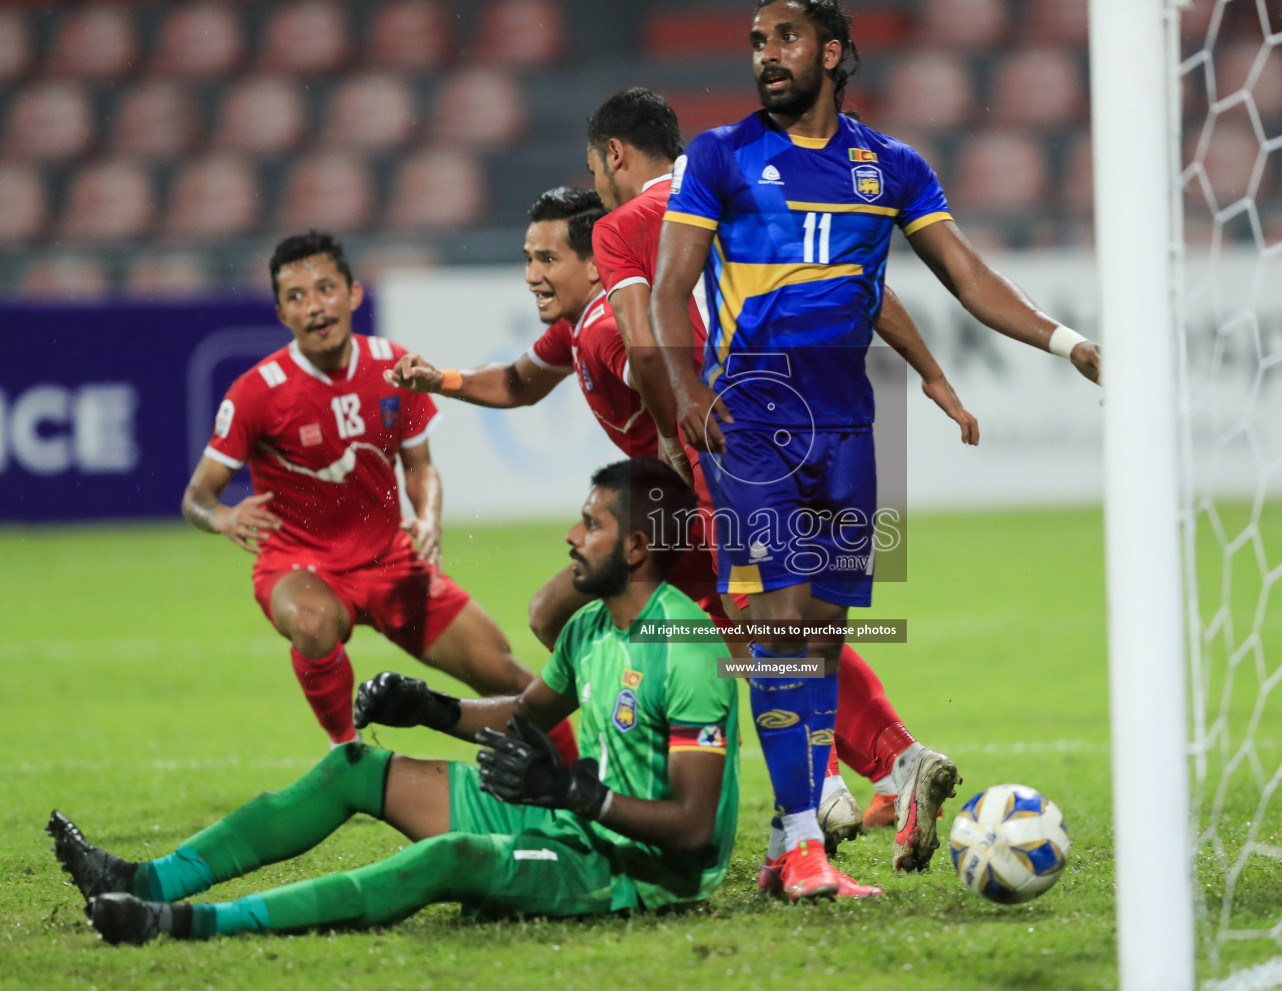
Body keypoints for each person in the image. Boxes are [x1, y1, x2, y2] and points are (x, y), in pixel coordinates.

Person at [649, 0, 1102, 898]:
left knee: (819, 637)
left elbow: (966, 276)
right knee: (776, 629)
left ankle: (798, 846)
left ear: (837, 54)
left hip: (851, 428)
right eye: (756, 42)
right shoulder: (720, 156)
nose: (766, 56)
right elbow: (669, 291)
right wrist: (688, 392)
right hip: (754, 420)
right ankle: (799, 840)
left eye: (785, 38)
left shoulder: (889, 168)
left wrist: (1068, 342)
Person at [50, 459, 739, 945]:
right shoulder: (592, 626)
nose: (571, 537)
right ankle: (147, 880)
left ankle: (190, 926)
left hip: (640, 872)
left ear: (640, 548)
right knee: (354, 767)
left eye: (589, 525)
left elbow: (693, 828)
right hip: (576, 819)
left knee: (450, 859)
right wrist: (432, 707)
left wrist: (577, 796)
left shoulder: (686, 649)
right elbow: (524, 714)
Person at [582, 86, 976, 895]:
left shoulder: (626, 231)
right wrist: (930, 371)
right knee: (803, 622)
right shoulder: (762, 176)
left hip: (730, 440)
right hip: (828, 414)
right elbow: (860, 279)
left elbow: (652, 341)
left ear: (615, 156)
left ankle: (814, 813)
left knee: (758, 633)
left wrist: (669, 428)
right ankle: (855, 789)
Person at [181, 232, 570, 757]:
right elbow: (197, 497)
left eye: (325, 288)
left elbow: (422, 471)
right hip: (300, 565)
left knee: (501, 668)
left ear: (353, 294)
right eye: (297, 297)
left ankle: (579, 770)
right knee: (314, 624)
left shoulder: (393, 367)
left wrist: (428, 520)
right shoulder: (257, 391)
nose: (315, 306)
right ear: (281, 314)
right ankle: (350, 752)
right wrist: (223, 518)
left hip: (392, 562)